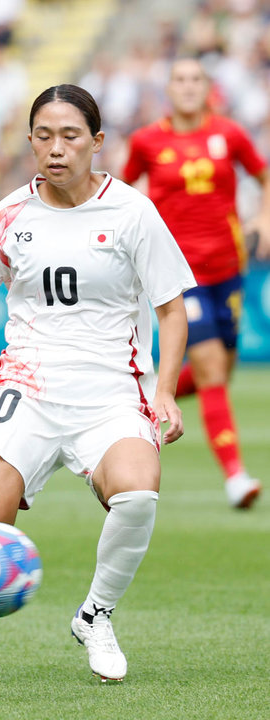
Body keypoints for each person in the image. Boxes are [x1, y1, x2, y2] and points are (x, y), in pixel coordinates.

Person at [0, 85, 194, 689]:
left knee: (138, 495)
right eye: (43, 136)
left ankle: (96, 615)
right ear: (30, 140)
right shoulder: (9, 214)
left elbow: (171, 310)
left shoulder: (133, 212)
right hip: (28, 386)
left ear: (97, 142)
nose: (55, 149)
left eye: (69, 136)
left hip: (112, 390)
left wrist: (164, 390)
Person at [122, 57, 269, 509]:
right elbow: (121, 193)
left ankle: (145, 397)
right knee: (208, 365)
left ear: (207, 88)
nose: (188, 87)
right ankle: (236, 477)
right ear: (169, 88)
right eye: (180, 79)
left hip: (229, 267)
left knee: (219, 372)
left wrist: (263, 217)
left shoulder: (229, 134)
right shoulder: (147, 140)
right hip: (178, 275)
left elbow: (264, 176)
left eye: (196, 80)